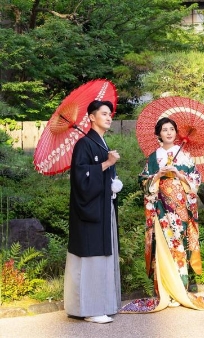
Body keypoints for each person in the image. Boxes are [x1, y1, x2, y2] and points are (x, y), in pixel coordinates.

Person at [120, 117, 204, 313]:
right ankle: (164, 290)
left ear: (176, 133)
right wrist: (157, 175)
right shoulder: (153, 157)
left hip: (180, 210)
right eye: (164, 129)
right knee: (162, 248)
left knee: (179, 248)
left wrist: (179, 174)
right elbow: (144, 184)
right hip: (160, 210)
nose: (169, 132)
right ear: (159, 134)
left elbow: (195, 181)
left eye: (172, 129)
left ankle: (180, 289)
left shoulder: (186, 157)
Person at [64, 100, 122, 324]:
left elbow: (101, 175)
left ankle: (102, 304)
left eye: (110, 114)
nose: (109, 117)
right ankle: (89, 308)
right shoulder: (83, 144)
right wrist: (107, 164)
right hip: (88, 212)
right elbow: (80, 178)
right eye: (104, 114)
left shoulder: (101, 144)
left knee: (101, 257)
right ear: (91, 117)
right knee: (90, 258)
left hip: (102, 207)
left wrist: (114, 184)